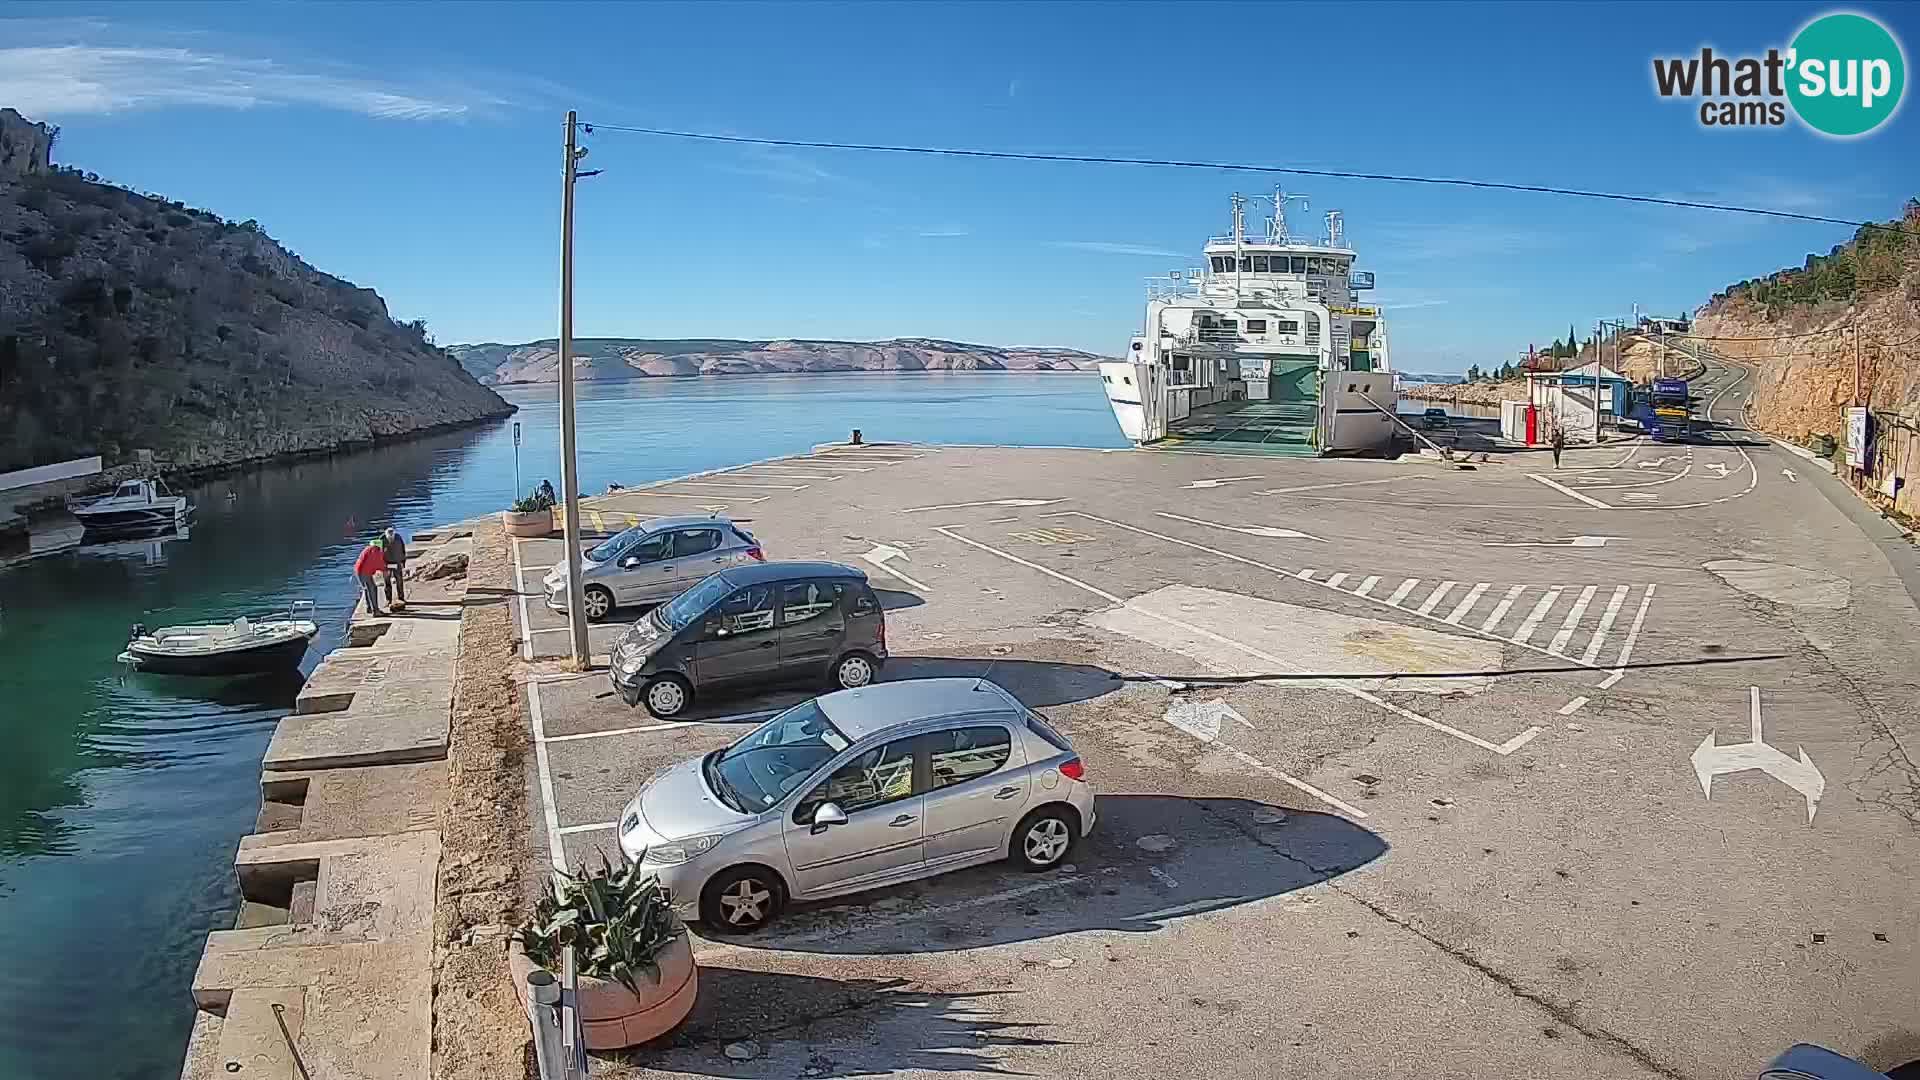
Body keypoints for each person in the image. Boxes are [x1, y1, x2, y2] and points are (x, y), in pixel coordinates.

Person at [353, 538, 387, 616]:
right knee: (372, 589)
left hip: (359, 571)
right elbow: (379, 563)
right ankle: (375, 611)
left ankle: (369, 608)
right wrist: (385, 569)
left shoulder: (367, 549)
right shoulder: (375, 551)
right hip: (364, 572)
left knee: (366, 589)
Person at [380, 527, 408, 610]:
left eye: (392, 533)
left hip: (397, 562)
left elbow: (403, 549)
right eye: (389, 534)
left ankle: (401, 598)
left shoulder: (398, 537)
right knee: (387, 582)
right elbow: (378, 552)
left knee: (399, 581)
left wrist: (403, 562)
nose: (391, 536)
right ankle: (388, 599)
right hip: (386, 564)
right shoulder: (382, 539)